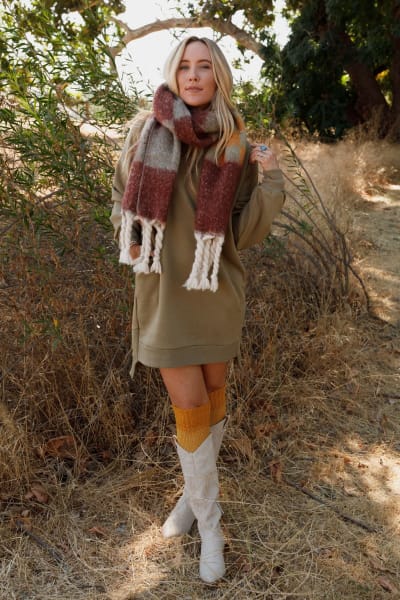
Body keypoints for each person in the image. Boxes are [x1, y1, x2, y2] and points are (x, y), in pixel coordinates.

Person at [110, 36, 285, 584]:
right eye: (184, 66)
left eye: (203, 66)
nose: (192, 75)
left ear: (218, 76)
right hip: (165, 294)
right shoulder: (146, 131)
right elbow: (120, 199)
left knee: (213, 398)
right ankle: (211, 527)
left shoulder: (234, 143)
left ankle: (191, 499)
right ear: (173, 72)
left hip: (215, 290)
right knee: (188, 405)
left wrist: (274, 178)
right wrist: (132, 236)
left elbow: (243, 232)